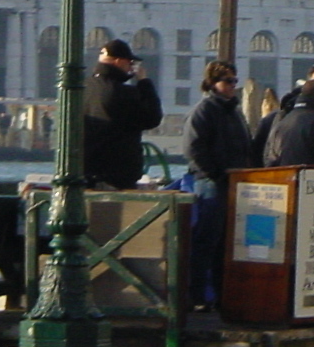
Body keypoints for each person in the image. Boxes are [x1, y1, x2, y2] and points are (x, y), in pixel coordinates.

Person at [184, 61, 251, 308]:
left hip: (233, 183)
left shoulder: (233, 111)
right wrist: (217, 174)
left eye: (235, 80)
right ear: (213, 83)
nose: (233, 85)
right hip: (212, 184)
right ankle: (198, 296)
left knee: (226, 242)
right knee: (207, 240)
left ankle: (221, 296)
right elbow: (193, 149)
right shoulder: (204, 110)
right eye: (228, 81)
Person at [82, 38, 164, 188]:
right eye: (130, 63)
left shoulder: (82, 87)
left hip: (84, 171)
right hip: (116, 173)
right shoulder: (124, 93)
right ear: (119, 61)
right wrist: (144, 82)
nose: (130, 68)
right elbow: (152, 118)